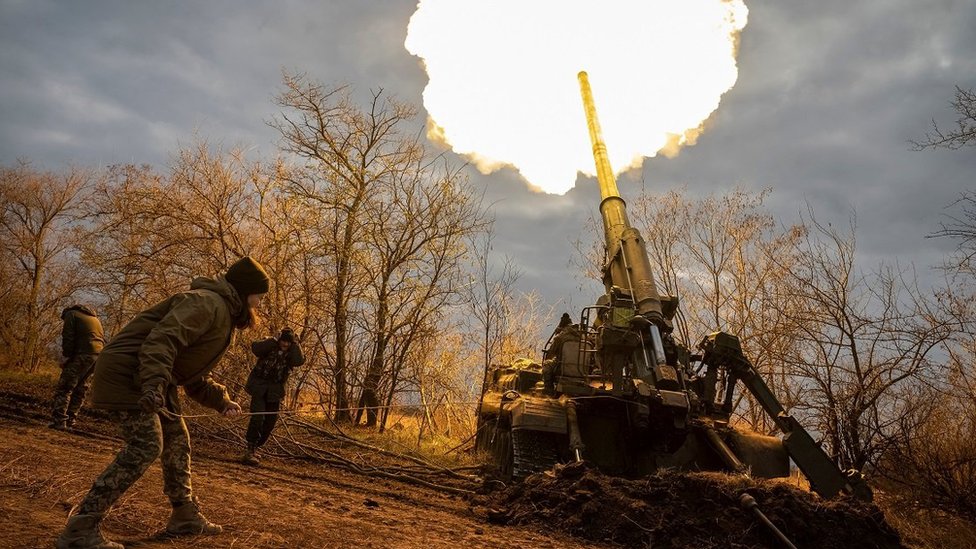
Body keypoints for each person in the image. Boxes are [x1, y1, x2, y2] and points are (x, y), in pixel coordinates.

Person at [55, 256, 271, 549]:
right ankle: (81, 528)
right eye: (259, 295)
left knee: (177, 439)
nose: (260, 302)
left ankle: (184, 515)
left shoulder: (222, 313)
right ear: (245, 291)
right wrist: (153, 385)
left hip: (152, 377)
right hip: (130, 373)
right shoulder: (206, 303)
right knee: (146, 445)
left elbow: (192, 374)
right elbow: (162, 342)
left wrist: (221, 401)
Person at [241, 327, 305, 465]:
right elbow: (255, 348)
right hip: (259, 387)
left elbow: (299, 361)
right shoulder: (269, 344)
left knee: (270, 423)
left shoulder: (292, 353)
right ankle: (250, 450)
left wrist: (296, 344)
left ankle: (256, 447)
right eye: (283, 341)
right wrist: (273, 340)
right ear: (279, 339)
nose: (285, 344)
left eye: (288, 342)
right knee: (258, 417)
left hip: (275, 391)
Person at [50, 304, 105, 430]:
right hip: (97, 356)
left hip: (82, 354)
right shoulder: (94, 318)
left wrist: (67, 357)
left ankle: (59, 421)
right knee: (80, 389)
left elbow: (68, 337)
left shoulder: (71, 314)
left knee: (65, 388)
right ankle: (71, 420)